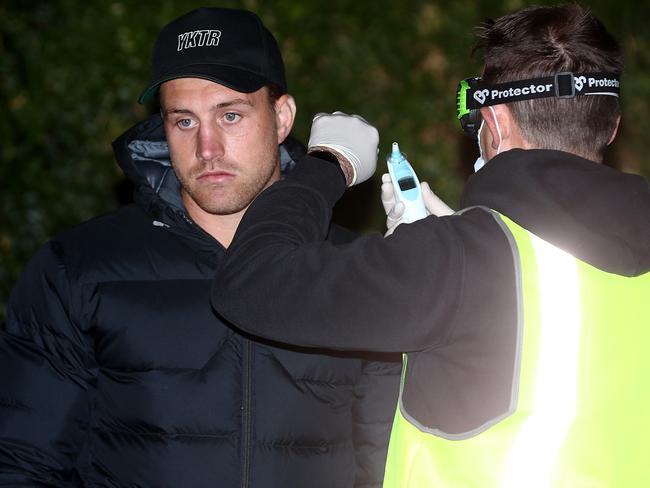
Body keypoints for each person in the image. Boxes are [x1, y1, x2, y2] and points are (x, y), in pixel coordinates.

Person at [211, 4, 650, 486]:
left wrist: (326, 165)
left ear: (494, 123)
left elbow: (252, 281)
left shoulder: (455, 262)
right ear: (610, 125)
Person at [0, 7, 401, 487]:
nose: (207, 147)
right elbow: (24, 463)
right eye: (184, 121)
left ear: (281, 117)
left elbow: (392, 467)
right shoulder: (79, 269)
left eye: (230, 115)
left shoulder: (348, 271)